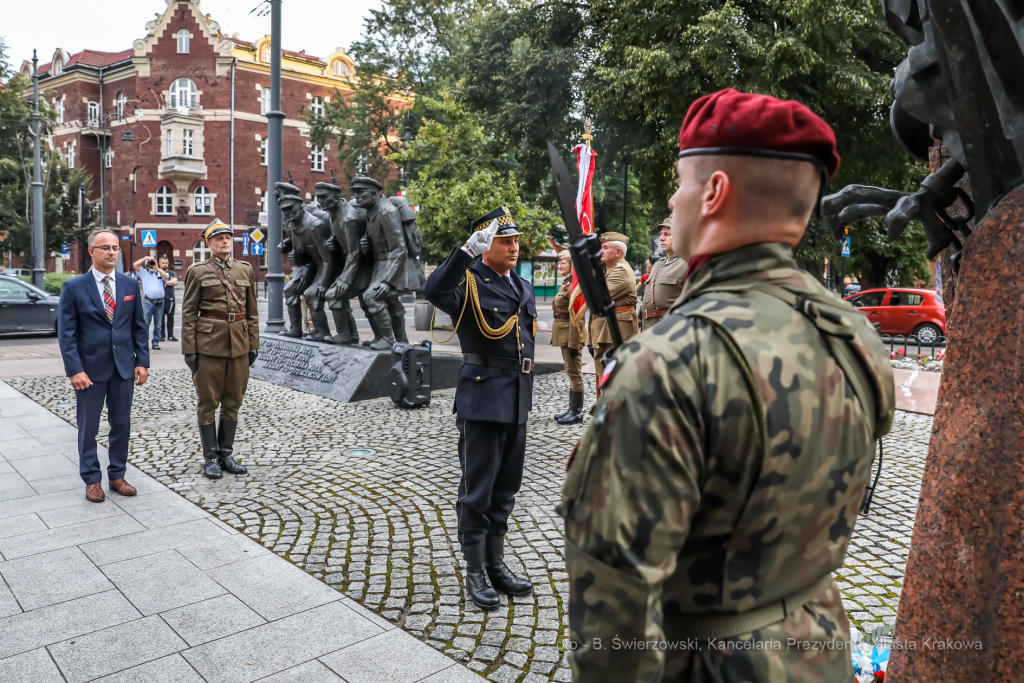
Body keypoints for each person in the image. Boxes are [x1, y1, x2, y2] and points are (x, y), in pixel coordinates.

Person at [561, 89, 895, 682]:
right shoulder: (855, 335)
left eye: (681, 182)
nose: (672, 199)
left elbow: (615, 609)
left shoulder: (669, 363)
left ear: (713, 193)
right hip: (819, 651)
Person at [422, 205, 536, 609]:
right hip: (483, 399)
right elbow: (433, 291)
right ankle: (474, 570)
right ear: (486, 245)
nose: (514, 247)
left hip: (517, 399)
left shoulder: (521, 286)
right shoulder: (469, 283)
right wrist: (466, 250)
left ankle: (496, 563)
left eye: (516, 240)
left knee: (506, 488)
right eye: (505, 240)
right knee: (478, 490)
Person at [57, 229, 149, 502]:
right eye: (105, 247)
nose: (111, 252)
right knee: (89, 427)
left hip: (123, 368)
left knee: (121, 424)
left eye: (115, 248)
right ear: (91, 252)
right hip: (89, 371)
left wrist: (142, 361)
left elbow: (138, 328)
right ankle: (91, 480)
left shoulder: (130, 284)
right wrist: (74, 369)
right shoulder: (74, 287)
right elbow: (67, 333)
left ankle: (117, 476)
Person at [180, 219, 259, 479]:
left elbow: (252, 313)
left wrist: (253, 344)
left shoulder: (244, 270)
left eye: (228, 237)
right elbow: (189, 312)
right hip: (209, 347)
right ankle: (210, 458)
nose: (225, 241)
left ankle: (225, 455)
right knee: (208, 402)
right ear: (209, 244)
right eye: (219, 238)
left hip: (239, 345)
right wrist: (189, 349)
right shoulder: (198, 271)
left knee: (233, 402)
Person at [588, 232, 637, 394]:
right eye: (600, 247)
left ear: (619, 253)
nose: (600, 251)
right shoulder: (609, 269)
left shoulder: (621, 270)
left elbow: (598, 298)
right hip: (605, 329)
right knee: (604, 377)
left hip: (615, 330)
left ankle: (614, 415)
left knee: (614, 378)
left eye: (605, 247)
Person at [550, 250, 586, 425]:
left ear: (573, 266)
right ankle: (572, 409)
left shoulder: (576, 285)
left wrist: (574, 341)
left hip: (570, 334)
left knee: (574, 373)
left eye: (563, 262)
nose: (560, 265)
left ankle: (577, 412)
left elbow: (577, 316)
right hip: (563, 331)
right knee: (571, 372)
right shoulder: (567, 283)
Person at [639, 218, 687, 331]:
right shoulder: (658, 263)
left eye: (667, 234)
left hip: (671, 330)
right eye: (661, 234)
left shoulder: (687, 263)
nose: (661, 238)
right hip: (649, 328)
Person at [132, 253, 172, 349]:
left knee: (158, 324)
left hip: (159, 302)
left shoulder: (160, 272)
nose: (151, 265)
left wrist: (157, 268)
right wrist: (146, 258)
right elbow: (135, 265)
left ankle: (155, 342)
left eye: (152, 263)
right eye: (150, 264)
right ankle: (144, 343)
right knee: (145, 323)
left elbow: (166, 277)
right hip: (148, 301)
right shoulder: (143, 273)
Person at [159, 256, 179, 342]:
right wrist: (168, 282)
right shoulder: (158, 273)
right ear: (159, 264)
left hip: (170, 299)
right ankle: (162, 336)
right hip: (160, 298)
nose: (165, 264)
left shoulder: (172, 272)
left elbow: (174, 282)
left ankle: (170, 336)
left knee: (170, 317)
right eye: (163, 263)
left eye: (166, 263)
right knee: (161, 318)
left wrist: (162, 282)